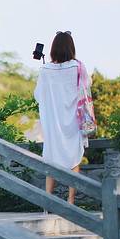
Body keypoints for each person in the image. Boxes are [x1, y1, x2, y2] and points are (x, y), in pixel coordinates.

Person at [33, 31, 89, 205]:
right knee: (74, 158)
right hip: (73, 120)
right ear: (71, 47)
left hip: (52, 122)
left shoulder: (45, 70)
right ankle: (71, 200)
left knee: (52, 156)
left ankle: (47, 200)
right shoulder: (78, 67)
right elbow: (86, 87)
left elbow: (38, 95)